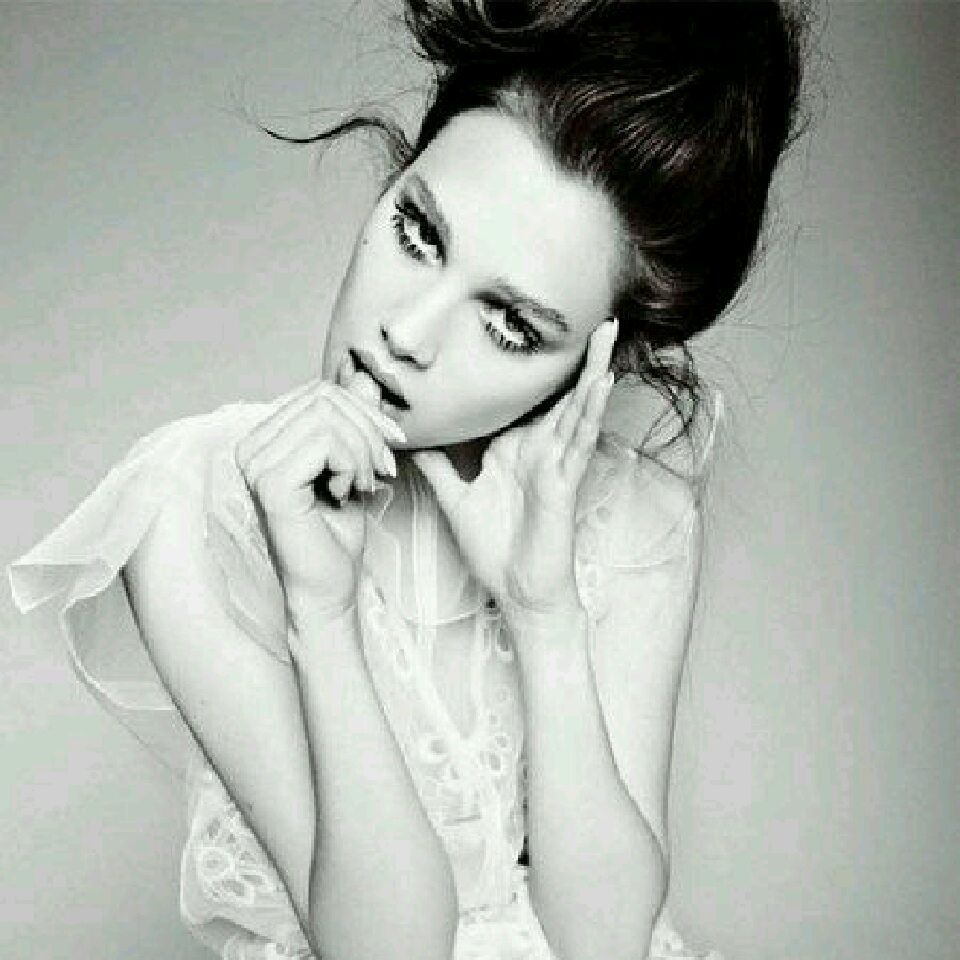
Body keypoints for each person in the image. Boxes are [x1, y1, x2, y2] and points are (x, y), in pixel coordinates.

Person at [7, 1, 808, 958]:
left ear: (603, 362)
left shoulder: (637, 515)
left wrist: (543, 612)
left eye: (509, 324)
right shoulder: (186, 506)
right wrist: (322, 614)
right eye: (419, 233)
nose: (406, 333)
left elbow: (607, 944)